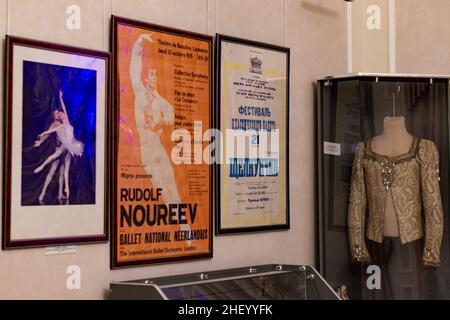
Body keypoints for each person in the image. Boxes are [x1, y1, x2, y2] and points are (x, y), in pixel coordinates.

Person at [130, 34, 191, 242]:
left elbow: (172, 116)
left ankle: (185, 226)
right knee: (161, 190)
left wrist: (162, 122)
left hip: (158, 147)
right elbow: (133, 68)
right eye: (153, 75)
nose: (155, 78)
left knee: (171, 186)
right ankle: (179, 225)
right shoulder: (139, 93)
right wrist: (139, 41)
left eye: (157, 75)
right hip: (146, 151)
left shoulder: (162, 101)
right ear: (146, 79)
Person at [33, 90, 84, 203]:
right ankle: (43, 191)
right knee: (53, 170)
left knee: (63, 172)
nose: (60, 115)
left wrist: (61, 97)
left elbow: (64, 109)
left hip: (69, 147)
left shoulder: (65, 124)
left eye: (60, 114)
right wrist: (41, 140)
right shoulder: (58, 125)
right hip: (61, 148)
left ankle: (63, 193)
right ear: (54, 116)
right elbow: (50, 131)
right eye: (57, 114)